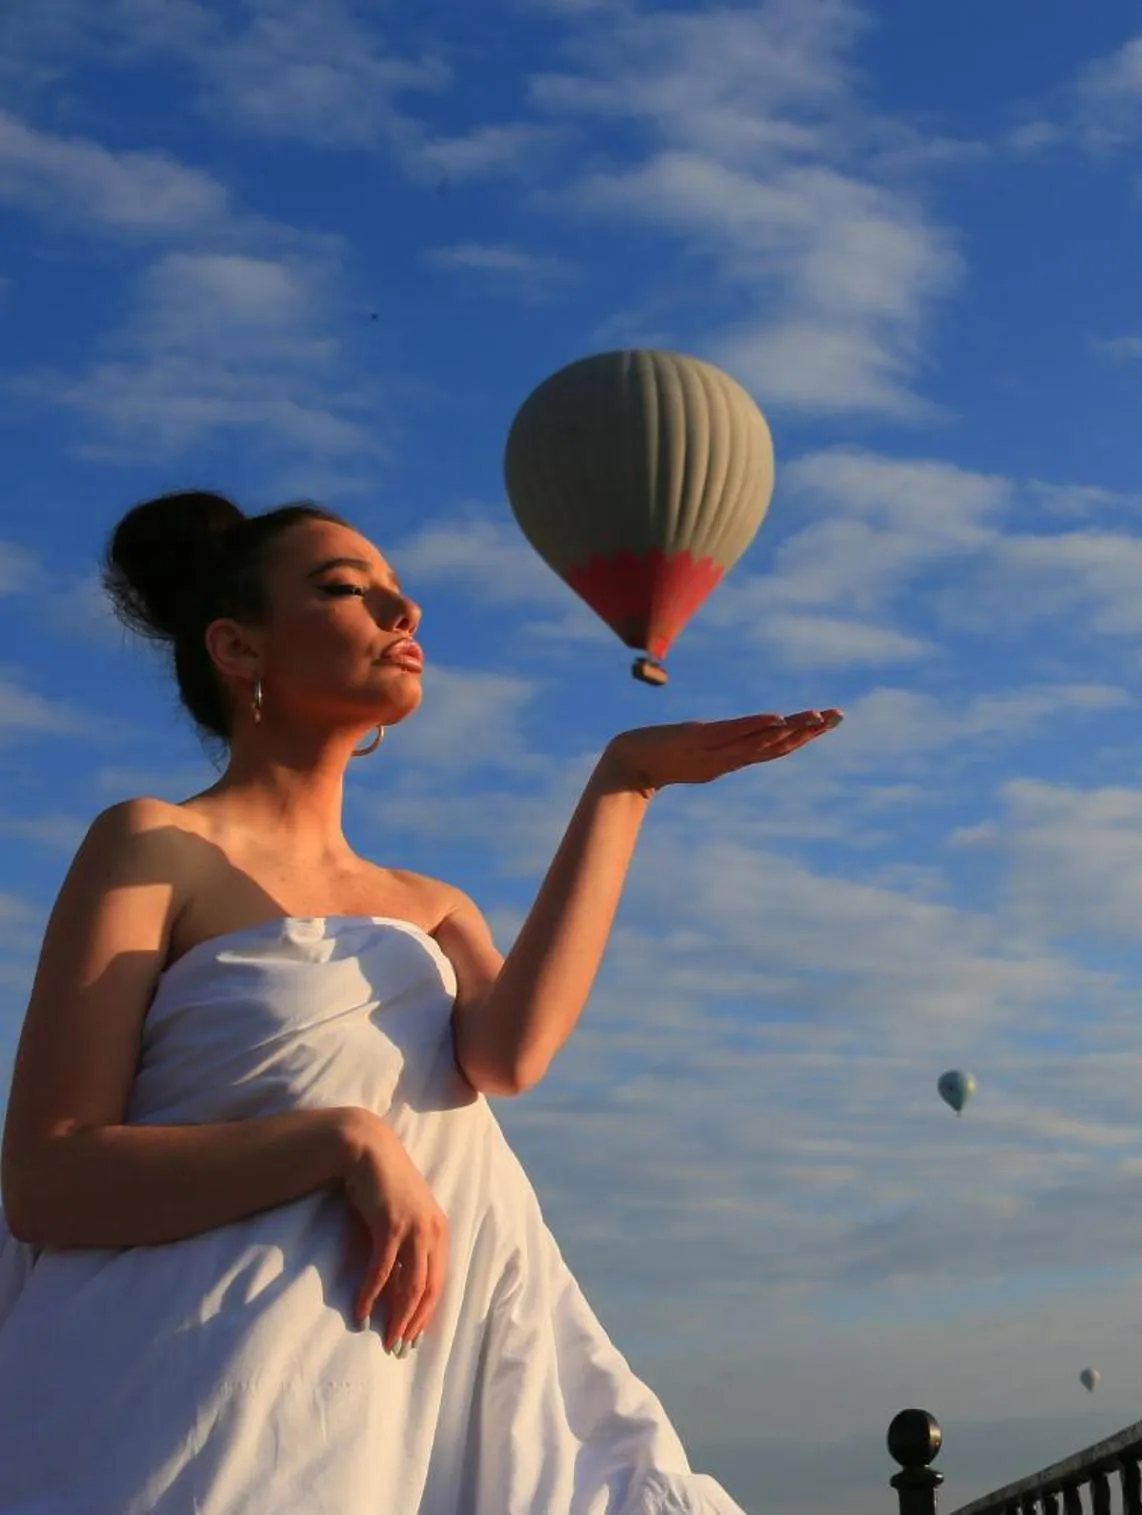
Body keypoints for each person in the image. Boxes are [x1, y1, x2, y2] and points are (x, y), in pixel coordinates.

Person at [0, 490, 841, 1513]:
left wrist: (626, 781)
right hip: (191, 1393)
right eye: (344, 589)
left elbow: (512, 1058)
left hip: (400, 1406)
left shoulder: (431, 909)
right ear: (237, 646)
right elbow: (47, 1179)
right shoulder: (153, 844)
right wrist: (342, 1140)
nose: (405, 613)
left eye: (399, 592)